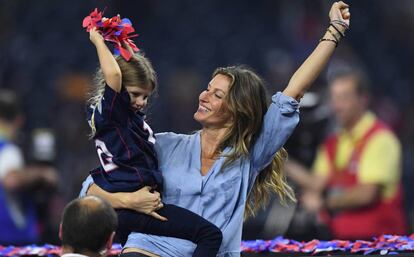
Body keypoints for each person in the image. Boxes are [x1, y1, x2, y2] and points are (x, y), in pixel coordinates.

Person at [80, 2, 350, 256]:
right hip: (148, 250)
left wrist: (334, 31)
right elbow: (89, 190)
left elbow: (294, 92)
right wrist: (128, 201)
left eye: (217, 95)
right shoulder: (163, 145)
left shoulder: (251, 154)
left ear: (238, 108)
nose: (203, 96)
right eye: (207, 88)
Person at [86, 25, 222, 256]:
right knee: (210, 235)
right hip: (132, 208)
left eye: (145, 96)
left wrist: (122, 44)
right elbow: (116, 75)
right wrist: (98, 40)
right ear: (118, 93)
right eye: (135, 94)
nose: (141, 102)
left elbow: (127, 68)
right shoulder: (113, 114)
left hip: (128, 209)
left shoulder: (125, 118)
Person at [286, 67, 407, 240]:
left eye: (344, 98)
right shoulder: (333, 142)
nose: (336, 106)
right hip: (342, 243)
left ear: (363, 99)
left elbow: (367, 194)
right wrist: (280, 160)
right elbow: (316, 182)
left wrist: (323, 203)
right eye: (334, 98)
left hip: (380, 245)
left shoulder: (380, 139)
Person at [0, 89, 58, 245]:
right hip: (10, 239)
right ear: (19, 120)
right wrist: (43, 173)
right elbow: (11, 179)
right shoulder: (7, 149)